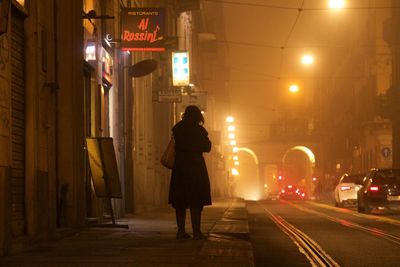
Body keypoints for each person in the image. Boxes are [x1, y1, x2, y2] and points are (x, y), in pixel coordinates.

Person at [168, 105, 212, 240]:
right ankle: (196, 232)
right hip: (195, 167)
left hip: (180, 167)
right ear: (198, 116)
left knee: (180, 201)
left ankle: (180, 232)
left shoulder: (177, 128)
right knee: (196, 200)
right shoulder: (199, 130)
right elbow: (207, 147)